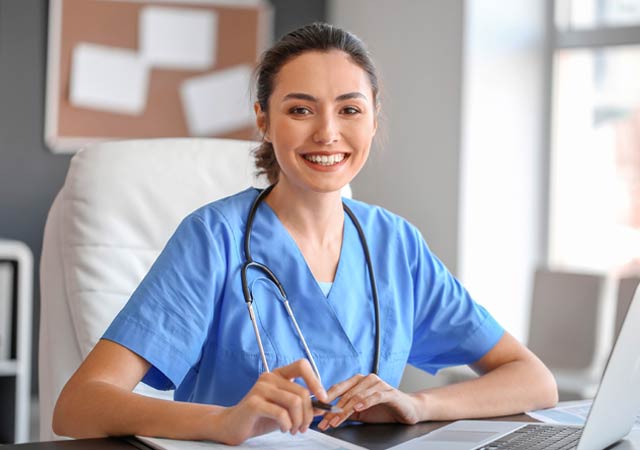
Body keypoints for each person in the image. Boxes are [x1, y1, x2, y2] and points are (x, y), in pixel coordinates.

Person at [52, 22, 558, 445]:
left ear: (374, 119)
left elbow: (533, 379)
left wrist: (417, 403)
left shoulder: (396, 244)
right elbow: (77, 406)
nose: (327, 133)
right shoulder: (213, 239)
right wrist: (225, 423)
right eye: (300, 109)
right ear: (264, 121)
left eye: (350, 109)